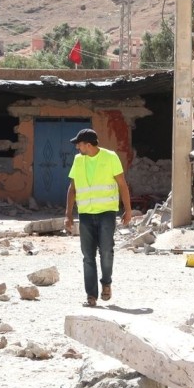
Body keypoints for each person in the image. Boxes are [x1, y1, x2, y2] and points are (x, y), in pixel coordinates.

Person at [63, 127, 132, 307]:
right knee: (88, 256)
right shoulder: (78, 161)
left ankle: (106, 283)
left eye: (79, 144)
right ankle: (91, 295)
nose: (77, 147)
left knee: (107, 251)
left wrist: (128, 210)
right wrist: (68, 214)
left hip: (107, 213)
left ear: (88, 145)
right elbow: (73, 189)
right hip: (85, 213)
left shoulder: (110, 157)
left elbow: (122, 185)